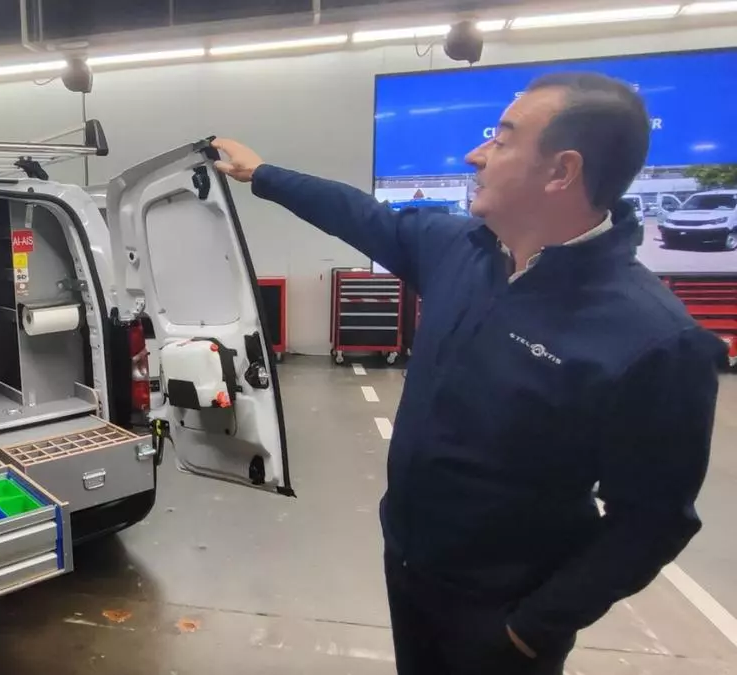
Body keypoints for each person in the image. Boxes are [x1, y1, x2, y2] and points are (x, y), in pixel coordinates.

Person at [214, 72, 723, 675]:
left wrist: (531, 629)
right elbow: (362, 216)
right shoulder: (461, 250)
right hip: (410, 565)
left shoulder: (654, 340)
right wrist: (262, 174)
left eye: (501, 140)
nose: (474, 155)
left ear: (561, 172)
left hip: (503, 613)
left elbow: (654, 521)